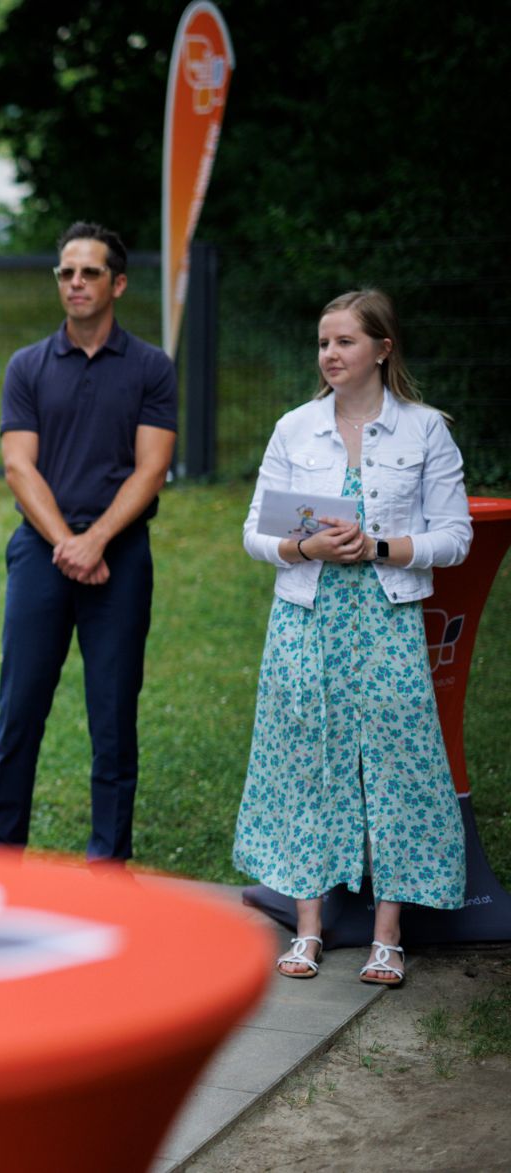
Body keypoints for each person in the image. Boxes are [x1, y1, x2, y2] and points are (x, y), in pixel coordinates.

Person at [234, 289, 470, 986]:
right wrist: (303, 549)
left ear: (382, 349)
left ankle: (387, 936)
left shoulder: (426, 430)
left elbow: (453, 537)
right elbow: (255, 532)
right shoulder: (294, 427)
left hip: (388, 616)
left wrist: (377, 547)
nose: (330, 355)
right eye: (323, 343)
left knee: (396, 762)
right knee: (305, 754)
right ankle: (309, 928)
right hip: (308, 617)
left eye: (344, 342)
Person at [0, 221, 177, 863]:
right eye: (66, 272)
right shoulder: (28, 366)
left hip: (120, 555)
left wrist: (97, 542)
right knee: (20, 713)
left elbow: (151, 469)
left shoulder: (151, 367)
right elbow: (18, 466)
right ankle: (3, 858)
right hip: (42, 552)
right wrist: (70, 542)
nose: (75, 283)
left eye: (89, 272)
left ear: (117, 282)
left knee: (114, 719)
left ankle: (108, 866)